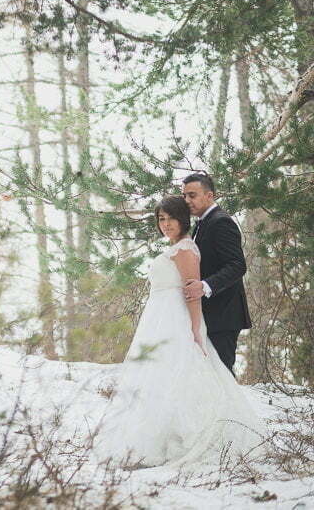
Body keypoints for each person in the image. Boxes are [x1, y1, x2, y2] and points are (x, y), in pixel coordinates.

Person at [93, 196, 264, 468]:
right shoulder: (175, 247)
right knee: (160, 377)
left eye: (171, 218)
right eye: (161, 219)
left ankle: (193, 434)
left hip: (178, 319)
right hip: (160, 318)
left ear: (183, 219)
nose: (166, 224)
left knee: (182, 374)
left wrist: (196, 329)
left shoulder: (185, 249)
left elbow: (192, 292)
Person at [181, 173, 251, 378]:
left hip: (224, 315)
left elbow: (238, 265)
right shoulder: (201, 224)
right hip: (209, 315)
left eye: (192, 195)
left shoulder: (221, 222)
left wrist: (204, 286)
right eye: (184, 196)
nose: (187, 201)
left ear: (209, 196)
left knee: (222, 377)